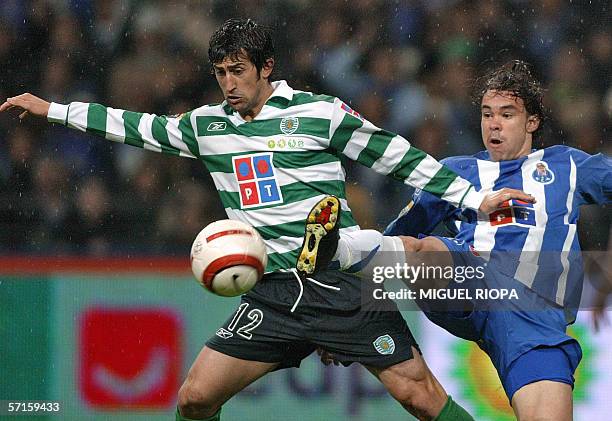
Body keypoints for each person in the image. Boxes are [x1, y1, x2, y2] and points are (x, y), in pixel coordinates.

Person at [1, 19, 533, 421]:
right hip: (273, 292)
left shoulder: (319, 113)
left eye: (238, 71)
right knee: (194, 398)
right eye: (220, 73)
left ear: (266, 68)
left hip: (339, 281)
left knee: (420, 396)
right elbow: (136, 127)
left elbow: (398, 157)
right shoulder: (206, 125)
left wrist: (474, 198)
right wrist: (54, 110)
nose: (228, 84)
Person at [329, 60, 611, 421]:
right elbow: (397, 240)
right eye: (487, 114)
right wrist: (346, 309)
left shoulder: (568, 166)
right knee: (423, 249)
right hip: (469, 281)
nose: (494, 124)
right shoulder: (457, 172)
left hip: (535, 315)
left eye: (507, 114)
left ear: (532, 122)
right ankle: (336, 255)